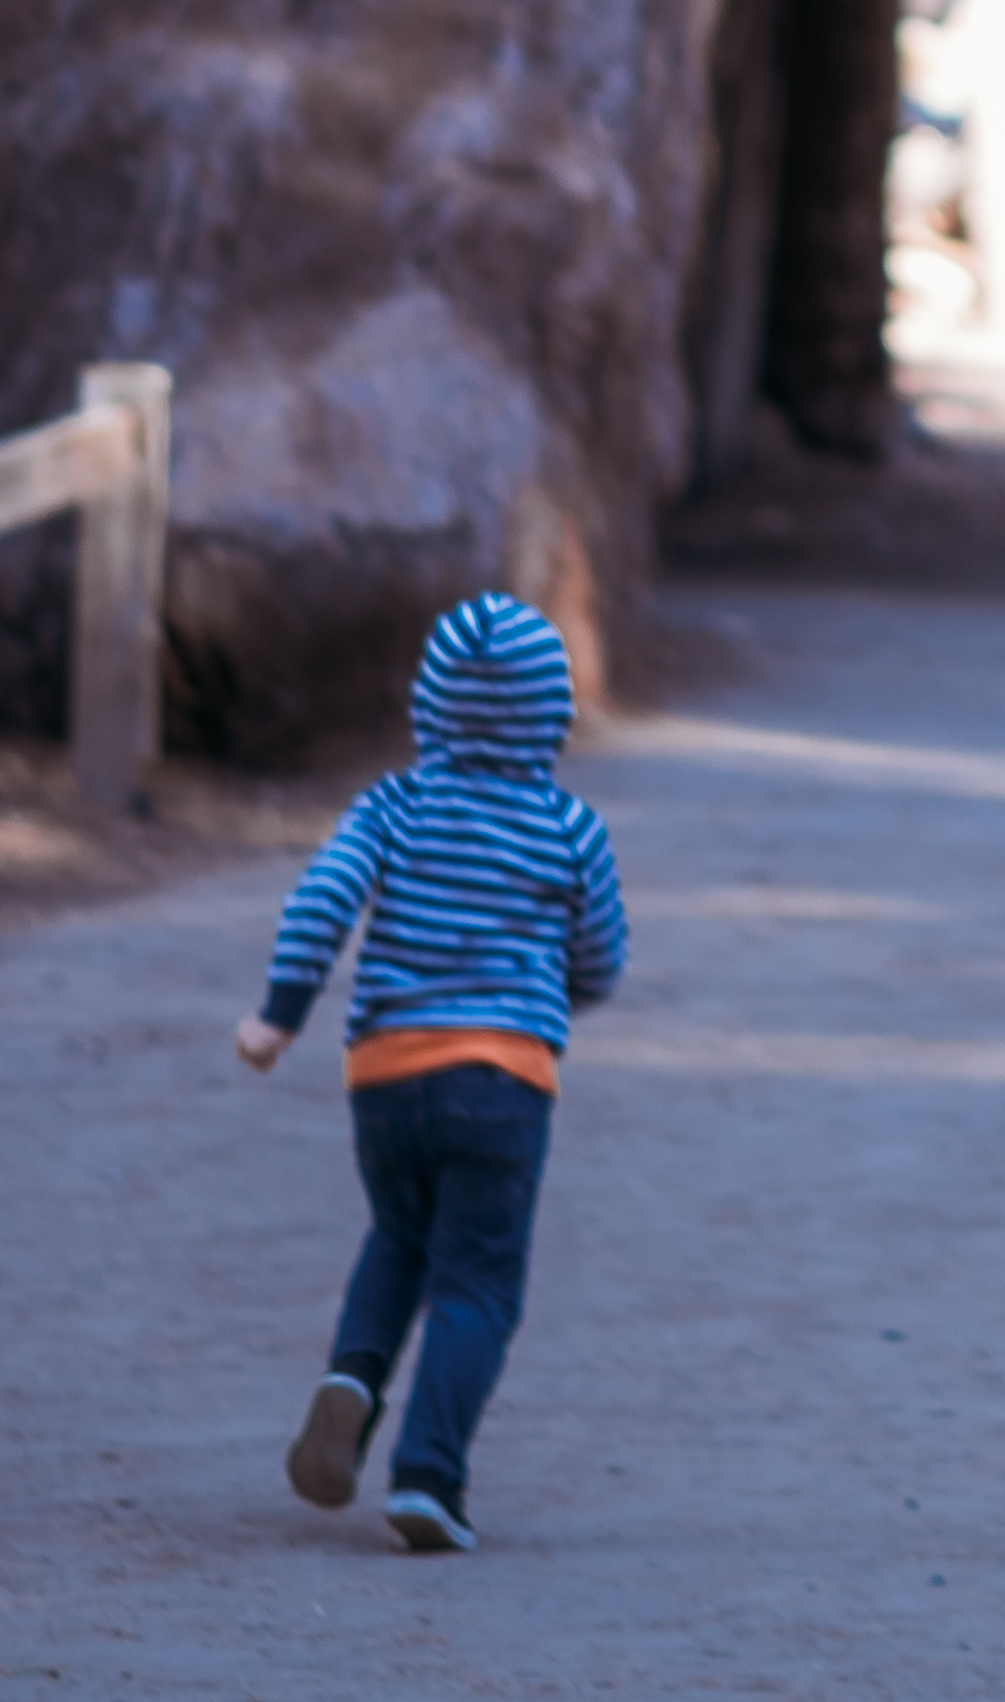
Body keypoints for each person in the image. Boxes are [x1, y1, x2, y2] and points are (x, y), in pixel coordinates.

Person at [236, 586, 629, 1556]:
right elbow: (601, 956)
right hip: (502, 1078)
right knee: (478, 1282)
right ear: (553, 710)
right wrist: (546, 998)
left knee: (399, 1232)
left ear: (429, 702)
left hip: (385, 1070)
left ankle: (352, 1380)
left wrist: (277, 1015)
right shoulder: (567, 825)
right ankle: (429, 1476)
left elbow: (321, 897)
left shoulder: (392, 802)